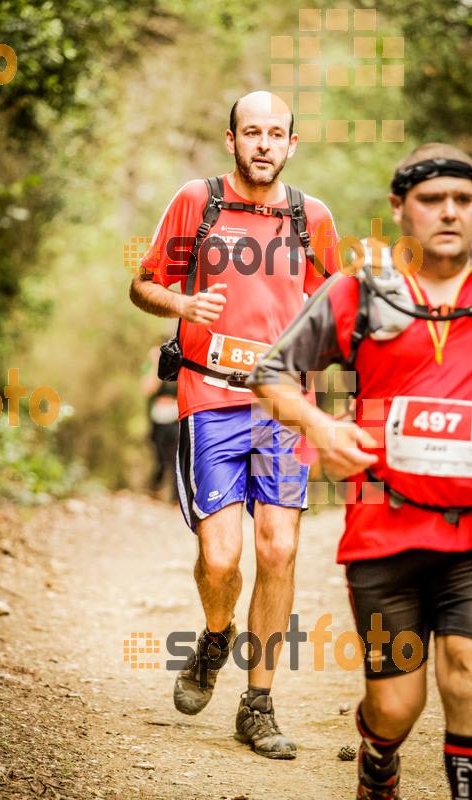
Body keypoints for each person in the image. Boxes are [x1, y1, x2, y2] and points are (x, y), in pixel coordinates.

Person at [247, 143, 472, 796]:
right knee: (395, 708)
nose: (450, 213)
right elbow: (272, 375)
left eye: (463, 200)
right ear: (399, 208)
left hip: (468, 532)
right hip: (383, 530)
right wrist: (320, 426)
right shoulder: (359, 293)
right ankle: (378, 758)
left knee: (463, 667)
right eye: (433, 200)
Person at [129, 91, 338, 759]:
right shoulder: (199, 200)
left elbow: (340, 307)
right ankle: (214, 637)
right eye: (252, 132)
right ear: (231, 139)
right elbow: (142, 283)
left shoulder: (313, 217)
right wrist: (182, 302)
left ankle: (259, 704)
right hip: (209, 397)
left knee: (277, 549)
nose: (263, 144)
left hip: (281, 408)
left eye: (276, 133)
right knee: (220, 559)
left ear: (291, 145)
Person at [141, 344, 179, 503]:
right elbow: (148, 389)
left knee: (176, 457)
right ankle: (154, 490)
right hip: (158, 420)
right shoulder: (149, 367)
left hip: (175, 418)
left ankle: (176, 499)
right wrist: (156, 363)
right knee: (160, 459)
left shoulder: (179, 365)